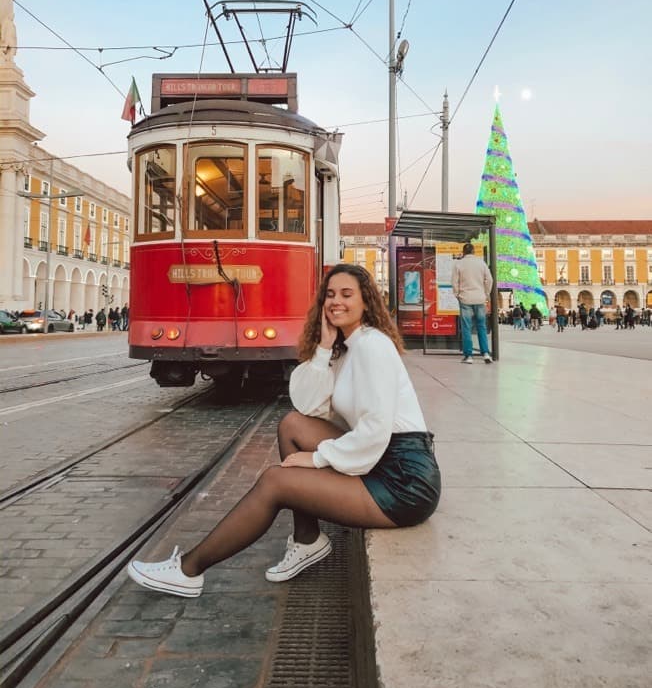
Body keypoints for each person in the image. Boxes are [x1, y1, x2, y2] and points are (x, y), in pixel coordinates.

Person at [126, 263, 441, 598]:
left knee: (276, 481)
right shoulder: (347, 348)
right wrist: (322, 350)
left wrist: (317, 459)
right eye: (330, 294)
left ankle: (189, 570)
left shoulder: (373, 346)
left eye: (347, 294)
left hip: (404, 481)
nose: (337, 301)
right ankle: (307, 539)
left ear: (367, 302)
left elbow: (376, 429)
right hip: (382, 459)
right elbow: (307, 405)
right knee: (292, 425)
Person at [451, 243, 493, 364]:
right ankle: (485, 353)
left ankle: (468, 356)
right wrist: (485, 293)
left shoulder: (458, 264)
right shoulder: (481, 263)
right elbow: (489, 279)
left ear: (463, 252)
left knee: (466, 327)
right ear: (474, 251)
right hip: (480, 298)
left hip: (465, 298)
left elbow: (454, 282)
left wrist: (457, 294)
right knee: (481, 326)